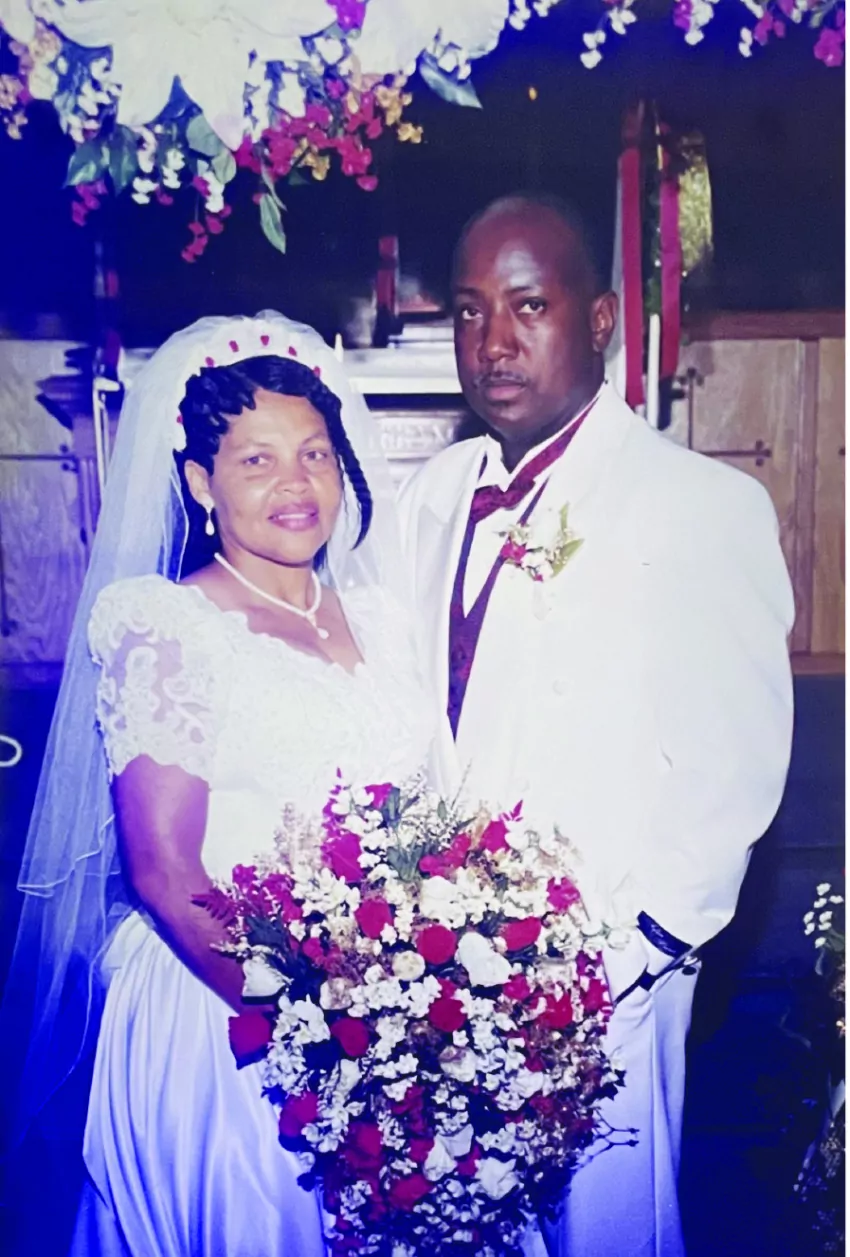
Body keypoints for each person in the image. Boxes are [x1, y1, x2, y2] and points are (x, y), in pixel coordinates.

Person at [399, 194, 795, 1257]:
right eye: (470, 311)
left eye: (528, 305)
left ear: (603, 319)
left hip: (602, 981)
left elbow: (732, 768)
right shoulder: (430, 497)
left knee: (606, 1231)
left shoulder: (696, 504)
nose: (493, 341)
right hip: (435, 975)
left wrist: (622, 957)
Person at [4, 313, 433, 1257]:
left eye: (314, 454)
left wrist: (407, 1003)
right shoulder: (168, 624)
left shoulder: (382, 620)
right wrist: (313, 1019)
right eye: (257, 461)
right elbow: (163, 868)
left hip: (390, 1002)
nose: (297, 483)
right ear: (201, 482)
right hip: (231, 1015)